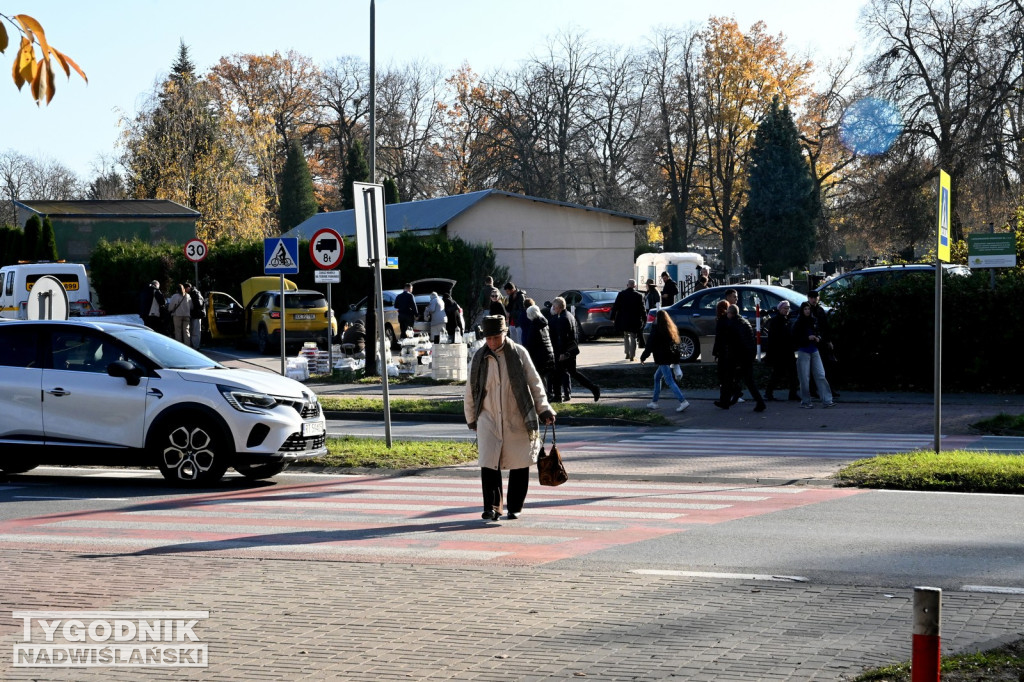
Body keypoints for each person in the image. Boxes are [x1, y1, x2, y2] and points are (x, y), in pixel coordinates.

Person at [465, 315, 555, 522]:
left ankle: (514, 507)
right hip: (488, 418)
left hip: (517, 416)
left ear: (505, 334)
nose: (492, 342)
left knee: (519, 464)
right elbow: (470, 391)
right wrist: (471, 418)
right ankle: (492, 507)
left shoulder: (519, 353)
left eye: (496, 337)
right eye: (488, 338)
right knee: (489, 464)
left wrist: (544, 409)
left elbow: (535, 384)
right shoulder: (478, 358)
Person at [548, 296, 600, 402]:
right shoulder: (569, 316)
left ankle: (558, 396)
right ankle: (593, 388)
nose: (553, 308)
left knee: (558, 373)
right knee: (571, 373)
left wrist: (562, 353)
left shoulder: (562, 319)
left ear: (558, 307)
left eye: (554, 306)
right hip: (571, 350)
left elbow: (562, 337)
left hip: (564, 351)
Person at [639, 309, 690, 412]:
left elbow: (650, 345)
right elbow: (676, 346)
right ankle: (654, 402)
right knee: (657, 377)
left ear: (657, 318)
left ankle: (682, 401)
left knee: (669, 380)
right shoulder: (671, 328)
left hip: (662, 358)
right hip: (669, 358)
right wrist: (676, 361)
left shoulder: (656, 329)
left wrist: (643, 357)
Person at [721, 304, 766, 412]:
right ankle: (731, 399)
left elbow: (733, 344)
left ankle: (759, 402)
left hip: (740, 357)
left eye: (728, 313)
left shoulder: (732, 324)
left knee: (733, 378)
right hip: (748, 355)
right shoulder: (744, 322)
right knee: (743, 379)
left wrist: (733, 359)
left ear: (730, 313)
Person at [793, 301, 835, 408]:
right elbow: (795, 338)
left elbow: (819, 332)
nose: (807, 311)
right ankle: (806, 401)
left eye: (808, 309)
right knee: (804, 378)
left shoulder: (813, 320)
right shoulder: (798, 323)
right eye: (805, 309)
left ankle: (827, 400)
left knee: (821, 375)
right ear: (802, 311)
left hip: (814, 350)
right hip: (803, 351)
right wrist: (807, 338)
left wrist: (818, 338)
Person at [763, 300, 799, 401]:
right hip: (780, 352)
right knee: (779, 373)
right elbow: (775, 338)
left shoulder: (785, 320)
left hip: (786, 351)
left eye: (788, 308)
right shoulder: (777, 321)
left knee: (790, 373)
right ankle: (769, 392)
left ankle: (792, 393)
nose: (787, 310)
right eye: (785, 308)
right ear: (780, 309)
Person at [806, 289, 839, 397]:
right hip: (814, 342)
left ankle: (828, 389)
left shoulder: (819, 310)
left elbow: (825, 326)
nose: (813, 300)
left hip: (821, 342)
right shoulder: (809, 310)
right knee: (816, 367)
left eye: (815, 298)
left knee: (825, 367)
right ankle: (814, 390)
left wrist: (828, 340)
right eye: (812, 298)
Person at [610, 278, 646, 361]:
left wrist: (612, 317)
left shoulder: (621, 294)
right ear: (635, 286)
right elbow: (642, 309)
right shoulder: (639, 295)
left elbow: (615, 307)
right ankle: (632, 355)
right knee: (633, 337)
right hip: (635, 320)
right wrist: (645, 319)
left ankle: (627, 353)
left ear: (627, 285)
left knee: (626, 335)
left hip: (623, 320)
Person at [524, 304, 555, 399]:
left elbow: (530, 344)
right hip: (548, 352)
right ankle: (549, 394)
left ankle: (546, 395)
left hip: (539, 355)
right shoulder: (544, 323)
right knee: (544, 376)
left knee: (537, 376)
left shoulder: (534, 326)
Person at [184, 282, 204, 350]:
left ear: (188, 288)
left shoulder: (195, 293)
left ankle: (196, 347)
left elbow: (198, 304)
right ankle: (195, 346)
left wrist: (191, 306)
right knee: (194, 331)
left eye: (185, 289)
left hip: (196, 314)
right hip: (196, 314)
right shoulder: (195, 293)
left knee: (195, 331)